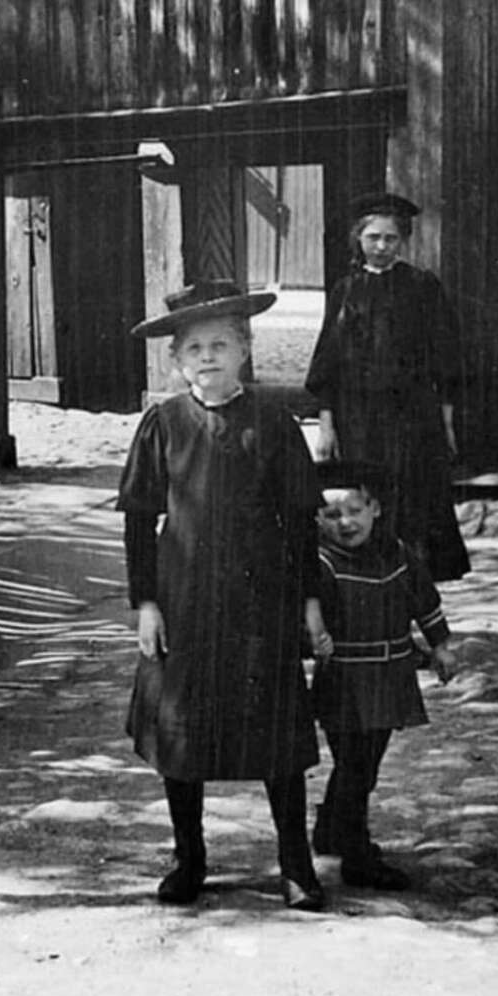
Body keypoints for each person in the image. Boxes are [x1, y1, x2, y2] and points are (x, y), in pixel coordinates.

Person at [119, 279, 328, 912]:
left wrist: (309, 601)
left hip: (260, 601)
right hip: (184, 600)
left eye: (220, 345)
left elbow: (299, 521)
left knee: (274, 732)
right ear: (177, 360)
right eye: (194, 349)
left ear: (244, 351)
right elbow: (138, 520)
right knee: (183, 732)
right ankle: (190, 857)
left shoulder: (272, 421)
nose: (207, 357)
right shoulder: (164, 423)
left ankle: (295, 864)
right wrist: (146, 604)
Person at [304, 192, 470, 582]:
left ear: (402, 241)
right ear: (358, 240)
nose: (381, 246)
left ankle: (412, 578)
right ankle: (369, 572)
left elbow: (445, 357)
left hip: (413, 413)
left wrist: (446, 421)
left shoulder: (422, 286)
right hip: (357, 414)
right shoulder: (345, 291)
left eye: (390, 239)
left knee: (413, 491)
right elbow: (327, 363)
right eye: (373, 238)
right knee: (367, 490)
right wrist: (326, 427)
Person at [308, 460, 458, 890]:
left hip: (391, 676)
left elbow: (424, 600)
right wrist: (312, 638)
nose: (346, 522)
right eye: (332, 515)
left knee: (364, 764)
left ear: (375, 508)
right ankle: (356, 856)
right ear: (317, 518)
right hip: (345, 681)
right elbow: (305, 613)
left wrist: (441, 644)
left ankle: (330, 830)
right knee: (355, 765)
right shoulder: (320, 562)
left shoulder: (396, 555)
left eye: (355, 510)